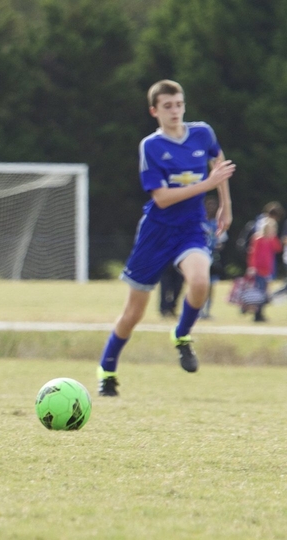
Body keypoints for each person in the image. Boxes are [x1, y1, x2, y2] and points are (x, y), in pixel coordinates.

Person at [97, 80, 234, 397]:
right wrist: (208, 185)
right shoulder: (151, 146)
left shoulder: (202, 133)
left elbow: (219, 160)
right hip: (156, 232)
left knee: (200, 281)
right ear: (154, 111)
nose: (175, 111)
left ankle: (182, 336)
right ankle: (107, 370)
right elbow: (161, 198)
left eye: (179, 104)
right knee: (133, 314)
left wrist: (225, 203)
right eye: (168, 106)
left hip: (191, 227)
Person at [245, 216, 282, 322]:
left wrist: (274, 236)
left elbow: (278, 248)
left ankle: (261, 313)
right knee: (259, 292)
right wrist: (252, 267)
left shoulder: (271, 240)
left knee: (265, 293)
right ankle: (257, 314)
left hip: (267, 270)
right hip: (258, 270)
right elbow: (253, 254)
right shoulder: (257, 239)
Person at [201, 195, 227, 319]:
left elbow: (222, 242)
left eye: (213, 206)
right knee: (199, 285)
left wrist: (216, 244)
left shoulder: (217, 224)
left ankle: (207, 311)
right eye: (208, 205)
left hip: (212, 258)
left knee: (211, 286)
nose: (210, 208)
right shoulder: (200, 222)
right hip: (199, 257)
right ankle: (197, 311)